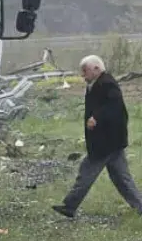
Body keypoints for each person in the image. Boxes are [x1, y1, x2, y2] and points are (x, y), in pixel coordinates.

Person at [53, 54, 142, 218]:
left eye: (84, 71)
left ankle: (69, 206)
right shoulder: (97, 84)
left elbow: (115, 108)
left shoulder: (107, 84)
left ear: (96, 68)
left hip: (106, 142)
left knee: (86, 173)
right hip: (112, 142)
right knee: (122, 180)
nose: (82, 75)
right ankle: (140, 207)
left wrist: (97, 118)